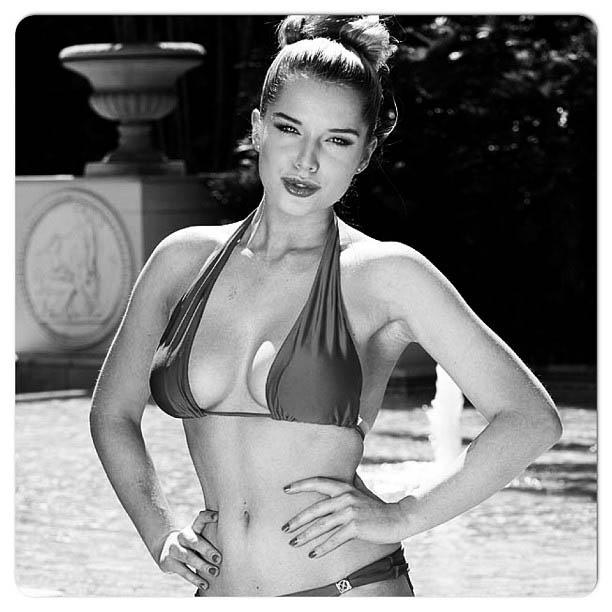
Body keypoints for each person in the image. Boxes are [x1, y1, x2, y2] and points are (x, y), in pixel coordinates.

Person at [90, 15, 563, 597]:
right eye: (289, 129)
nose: (306, 161)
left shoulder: (386, 274)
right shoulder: (180, 260)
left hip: (348, 587)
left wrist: (404, 515)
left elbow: (530, 419)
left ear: (364, 154)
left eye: (337, 140)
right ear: (258, 129)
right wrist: (159, 533)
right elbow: (112, 414)